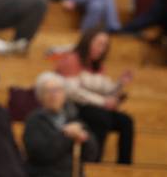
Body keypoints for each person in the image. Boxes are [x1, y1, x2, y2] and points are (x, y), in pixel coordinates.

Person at [56, 29, 134, 165]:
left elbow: (104, 90)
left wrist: (120, 84)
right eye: (99, 44)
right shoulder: (71, 59)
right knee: (101, 117)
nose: (101, 49)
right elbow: (74, 93)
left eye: (105, 45)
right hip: (72, 107)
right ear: (87, 42)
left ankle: (124, 167)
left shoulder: (98, 66)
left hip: (95, 106)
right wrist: (103, 102)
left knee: (126, 121)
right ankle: (94, 164)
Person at [23, 71, 98, 177]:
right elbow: (40, 153)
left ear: (64, 94)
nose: (53, 95)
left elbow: (91, 155)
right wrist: (65, 134)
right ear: (40, 96)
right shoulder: (34, 120)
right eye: (48, 91)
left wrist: (84, 138)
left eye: (57, 90)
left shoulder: (73, 118)